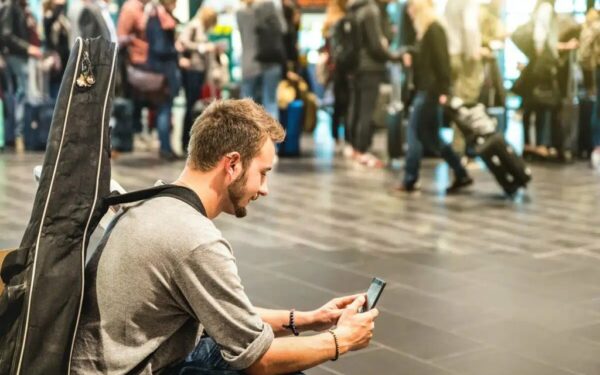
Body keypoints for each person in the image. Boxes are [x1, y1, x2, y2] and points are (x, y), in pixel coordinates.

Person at [70, 99, 378, 374]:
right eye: (263, 172)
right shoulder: (194, 239)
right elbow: (261, 360)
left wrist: (310, 319)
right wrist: (342, 340)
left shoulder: (155, 203)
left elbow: (225, 315)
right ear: (232, 164)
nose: (265, 188)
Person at [395, 0, 473, 194]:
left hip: (429, 92)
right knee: (432, 138)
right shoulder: (428, 31)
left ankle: (410, 179)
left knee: (414, 133)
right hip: (428, 91)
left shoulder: (434, 29)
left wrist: (444, 91)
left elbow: (442, 62)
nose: (410, 14)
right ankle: (461, 173)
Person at [345, 0, 402, 168]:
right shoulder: (371, 11)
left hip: (356, 67)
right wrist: (396, 57)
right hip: (369, 67)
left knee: (355, 108)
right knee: (366, 111)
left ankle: (354, 147)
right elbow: (376, 45)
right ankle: (362, 150)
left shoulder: (355, 9)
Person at [0, 0, 43, 150]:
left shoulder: (20, 7)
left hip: (18, 56)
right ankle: (16, 136)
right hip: (15, 56)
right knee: (18, 95)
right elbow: (6, 34)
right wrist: (27, 48)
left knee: (19, 95)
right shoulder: (11, 6)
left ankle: (17, 136)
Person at [177, 6, 217, 153]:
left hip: (198, 71)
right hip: (192, 71)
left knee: (194, 106)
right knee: (191, 106)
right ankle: (185, 142)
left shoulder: (199, 27)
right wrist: (202, 47)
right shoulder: (194, 25)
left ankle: (191, 142)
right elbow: (183, 42)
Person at [236, 0, 286, 120]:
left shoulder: (240, 12)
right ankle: (271, 138)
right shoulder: (270, 6)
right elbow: (284, 29)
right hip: (271, 60)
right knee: (270, 103)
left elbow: (243, 36)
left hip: (249, 62)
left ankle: (248, 138)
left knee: (247, 107)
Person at [145, 0, 181, 160]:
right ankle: (165, 148)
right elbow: (160, 47)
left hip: (163, 70)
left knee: (165, 109)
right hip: (163, 72)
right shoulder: (157, 19)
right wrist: (176, 49)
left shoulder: (158, 17)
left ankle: (166, 147)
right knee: (164, 110)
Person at [43, 0, 70, 99]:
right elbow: (49, 40)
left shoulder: (63, 18)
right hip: (55, 56)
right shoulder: (48, 17)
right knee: (55, 84)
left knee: (64, 85)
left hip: (65, 56)